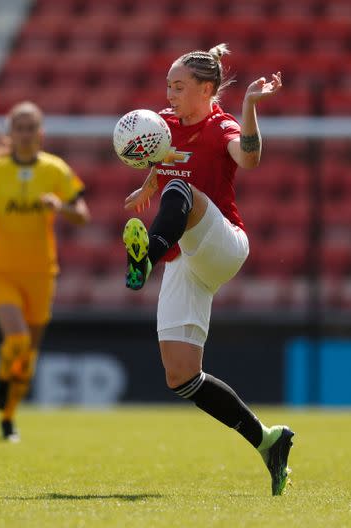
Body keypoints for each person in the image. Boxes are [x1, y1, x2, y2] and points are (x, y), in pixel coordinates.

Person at [121, 44, 294, 495]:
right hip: (186, 259)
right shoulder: (165, 124)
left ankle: (143, 260)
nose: (171, 93)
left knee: (182, 192)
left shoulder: (223, 126)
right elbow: (165, 159)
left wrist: (251, 107)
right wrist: (146, 183)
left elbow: (249, 157)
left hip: (223, 245)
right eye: (168, 85)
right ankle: (267, 441)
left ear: (207, 89)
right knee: (180, 376)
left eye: (179, 86)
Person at [0, 101, 90, 442]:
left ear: (41, 133)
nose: (25, 134)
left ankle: (8, 417)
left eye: (31, 127)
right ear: (11, 133)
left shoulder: (55, 169)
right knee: (16, 341)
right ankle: (2, 383)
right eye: (19, 128)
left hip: (41, 273)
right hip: (2, 270)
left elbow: (82, 212)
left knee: (28, 354)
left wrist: (60, 207)